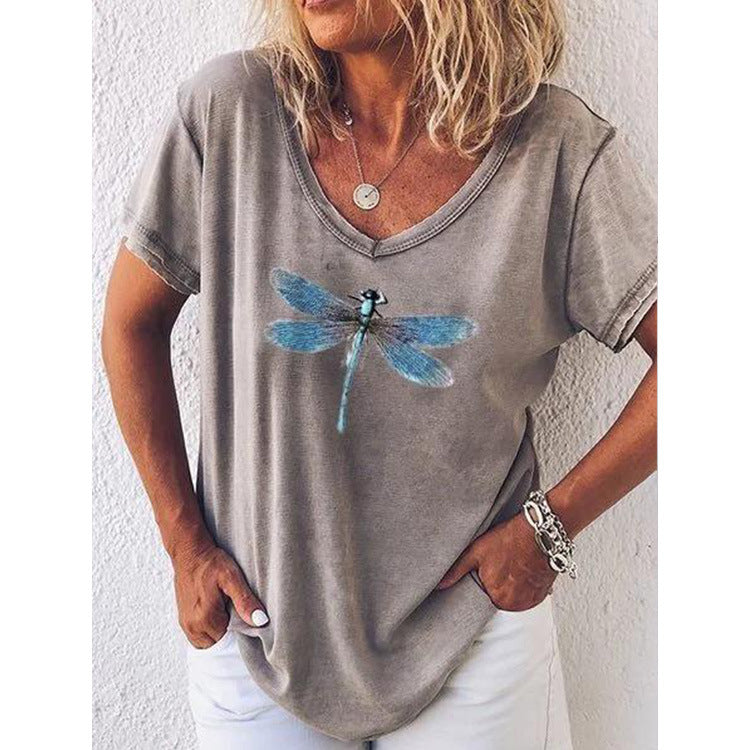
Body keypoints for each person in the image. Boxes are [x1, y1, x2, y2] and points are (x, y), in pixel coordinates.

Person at [101, 0, 657, 747]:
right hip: (257, 630)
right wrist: (184, 545)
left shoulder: (556, 152)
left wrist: (548, 529)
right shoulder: (230, 113)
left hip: (471, 628)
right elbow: (129, 325)